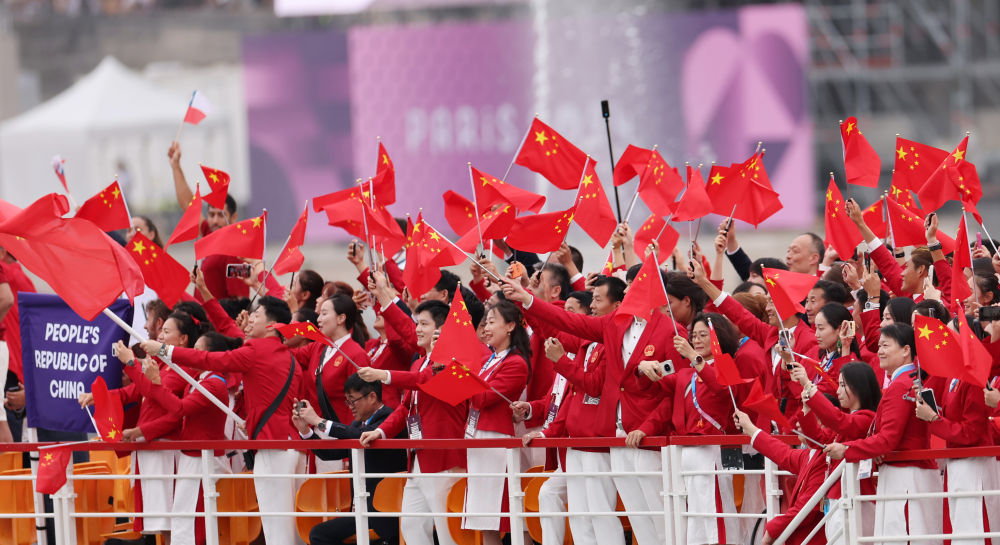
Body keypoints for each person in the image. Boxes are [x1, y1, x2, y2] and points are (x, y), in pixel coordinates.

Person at [502, 263, 686, 545]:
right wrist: (527, 298)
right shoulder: (616, 323)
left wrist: (648, 423)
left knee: (661, 517)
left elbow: (677, 387)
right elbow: (568, 322)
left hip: (649, 437)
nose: (629, 290)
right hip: (617, 435)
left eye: (634, 284)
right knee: (639, 519)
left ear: (655, 290)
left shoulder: (672, 331)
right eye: (629, 285)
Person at [140, 296, 302, 545]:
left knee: (276, 528)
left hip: (271, 445)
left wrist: (164, 350)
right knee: (290, 525)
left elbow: (210, 360)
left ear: (271, 325)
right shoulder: (288, 356)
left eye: (256, 315)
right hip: (291, 444)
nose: (250, 318)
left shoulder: (256, 351)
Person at [358, 299, 465, 545]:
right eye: (417, 323)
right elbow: (406, 408)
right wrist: (380, 431)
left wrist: (383, 375)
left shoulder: (450, 361)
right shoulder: (419, 361)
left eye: (424, 324)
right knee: (411, 524)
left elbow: (423, 379)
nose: (417, 329)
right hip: (418, 456)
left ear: (441, 330)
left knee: (447, 530)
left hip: (444, 458)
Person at [823, 324, 942, 544]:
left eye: (886, 345)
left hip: (904, 476)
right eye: (879, 346)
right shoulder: (907, 381)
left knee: (902, 537)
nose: (880, 351)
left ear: (906, 350)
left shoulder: (900, 385)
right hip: (906, 473)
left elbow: (888, 439)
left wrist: (847, 449)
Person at [112, 331, 234, 545]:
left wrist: (148, 377)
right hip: (193, 457)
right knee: (184, 522)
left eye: (198, 350)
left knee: (188, 524)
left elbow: (178, 409)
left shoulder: (212, 384)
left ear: (210, 355)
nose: (193, 354)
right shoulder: (199, 380)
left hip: (201, 459)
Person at [293, 374, 407, 545]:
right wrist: (305, 431)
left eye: (353, 401)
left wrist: (318, 421)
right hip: (364, 511)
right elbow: (330, 453)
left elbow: (361, 435)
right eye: (347, 402)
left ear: (372, 397)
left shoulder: (389, 419)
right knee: (319, 533)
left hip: (386, 513)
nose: (350, 407)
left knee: (319, 535)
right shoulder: (357, 425)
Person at [461, 300, 530, 544]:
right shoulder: (490, 359)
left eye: (492, 322)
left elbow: (482, 399)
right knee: (483, 517)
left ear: (510, 326)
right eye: (485, 323)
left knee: (511, 516)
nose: (486, 328)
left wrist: (461, 376)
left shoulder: (516, 363)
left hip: (497, 440)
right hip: (478, 436)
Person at [790, 361, 881, 543]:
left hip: (852, 498)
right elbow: (818, 439)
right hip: (839, 497)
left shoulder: (866, 419)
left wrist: (808, 385)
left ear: (859, 386)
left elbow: (838, 420)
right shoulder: (852, 419)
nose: (837, 391)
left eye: (842, 385)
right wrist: (807, 408)